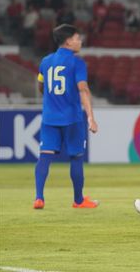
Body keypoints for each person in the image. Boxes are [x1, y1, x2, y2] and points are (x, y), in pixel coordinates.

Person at [34, 24, 99, 210]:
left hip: (49, 118)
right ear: (69, 41)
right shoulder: (77, 62)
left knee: (44, 157)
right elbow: (83, 89)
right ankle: (78, 200)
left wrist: (49, 95)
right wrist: (91, 117)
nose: (80, 41)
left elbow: (41, 84)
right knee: (76, 158)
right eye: (78, 38)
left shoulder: (46, 61)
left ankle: (39, 198)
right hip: (72, 118)